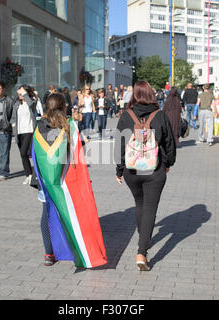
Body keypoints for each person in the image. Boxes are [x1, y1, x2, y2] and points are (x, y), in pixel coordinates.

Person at [32, 93, 107, 268]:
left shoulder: (38, 127)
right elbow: (77, 151)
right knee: (73, 213)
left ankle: (49, 254)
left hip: (45, 180)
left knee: (48, 213)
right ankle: (77, 248)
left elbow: (34, 153)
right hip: (65, 181)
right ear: (64, 107)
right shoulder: (69, 126)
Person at [115, 81, 176, 271]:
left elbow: (118, 146)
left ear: (134, 95)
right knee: (150, 208)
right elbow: (170, 145)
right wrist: (167, 164)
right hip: (154, 170)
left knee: (140, 204)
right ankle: (142, 251)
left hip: (132, 172)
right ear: (151, 94)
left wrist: (119, 170)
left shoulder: (126, 116)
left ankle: (144, 236)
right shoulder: (160, 116)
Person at [12, 85, 37, 185]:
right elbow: (13, 117)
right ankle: (29, 175)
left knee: (24, 153)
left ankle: (33, 175)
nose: (21, 95)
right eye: (20, 93)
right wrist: (12, 124)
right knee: (23, 155)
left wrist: (25, 94)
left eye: (23, 93)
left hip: (29, 130)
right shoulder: (17, 103)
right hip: (19, 132)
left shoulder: (32, 101)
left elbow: (31, 105)